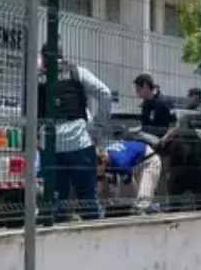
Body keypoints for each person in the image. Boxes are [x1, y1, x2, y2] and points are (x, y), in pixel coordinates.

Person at [37, 44, 112, 223]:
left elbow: (30, 110)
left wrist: (35, 136)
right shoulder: (77, 72)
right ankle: (94, 237)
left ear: (44, 58)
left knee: (56, 199)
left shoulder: (38, 80)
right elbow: (105, 93)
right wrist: (98, 126)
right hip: (80, 143)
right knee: (87, 197)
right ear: (62, 55)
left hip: (51, 145)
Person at [98, 137, 162, 214]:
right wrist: (101, 177)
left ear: (104, 160)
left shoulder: (120, 162)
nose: (97, 167)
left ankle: (152, 209)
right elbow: (104, 192)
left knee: (141, 202)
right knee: (122, 202)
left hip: (149, 161)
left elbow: (129, 185)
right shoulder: (105, 160)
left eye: (99, 164)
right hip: (134, 163)